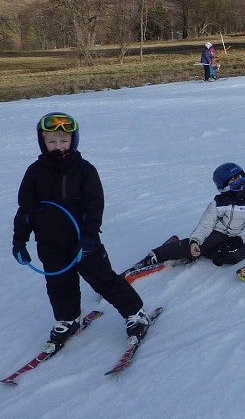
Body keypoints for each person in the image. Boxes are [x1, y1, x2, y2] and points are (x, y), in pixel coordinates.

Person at [12, 113, 152, 349]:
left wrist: (88, 237)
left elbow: (94, 206)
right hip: (49, 243)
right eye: (52, 141)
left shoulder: (84, 170)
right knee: (58, 283)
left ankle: (135, 313)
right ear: (42, 142)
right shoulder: (35, 172)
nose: (58, 146)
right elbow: (26, 209)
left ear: (73, 141)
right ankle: (68, 319)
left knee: (103, 279)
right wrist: (19, 241)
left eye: (64, 141)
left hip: (82, 241)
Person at [135, 163, 245, 269]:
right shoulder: (218, 203)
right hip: (221, 233)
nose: (241, 187)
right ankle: (158, 254)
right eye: (236, 184)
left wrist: (239, 239)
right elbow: (206, 223)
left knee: (233, 257)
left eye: (242, 181)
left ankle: (207, 250)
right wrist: (196, 240)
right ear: (224, 188)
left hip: (244, 239)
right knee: (196, 246)